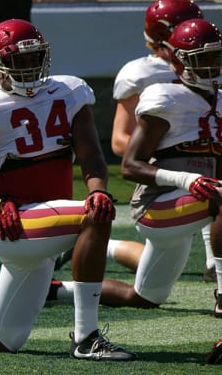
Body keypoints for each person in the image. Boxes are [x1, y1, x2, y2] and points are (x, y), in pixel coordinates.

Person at [0, 19, 136, 360]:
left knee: (1, 340)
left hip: (48, 227)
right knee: (93, 216)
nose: (27, 67)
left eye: (33, 58)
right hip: (15, 223)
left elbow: (92, 158)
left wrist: (96, 189)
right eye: (16, 61)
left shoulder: (68, 92)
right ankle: (86, 337)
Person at [58, 18, 222, 312]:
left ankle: (56, 290)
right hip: (156, 206)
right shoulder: (166, 98)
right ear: (179, 62)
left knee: (144, 298)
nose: (211, 66)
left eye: (216, 57)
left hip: (193, 204)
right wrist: (187, 180)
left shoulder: (219, 101)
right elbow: (130, 167)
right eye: (202, 59)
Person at [107, 0, 215, 281]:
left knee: (148, 291)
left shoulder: (212, 75)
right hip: (166, 179)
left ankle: (212, 261)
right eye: (187, 27)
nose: (196, 32)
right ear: (163, 35)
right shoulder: (142, 74)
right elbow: (120, 141)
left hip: (202, 171)